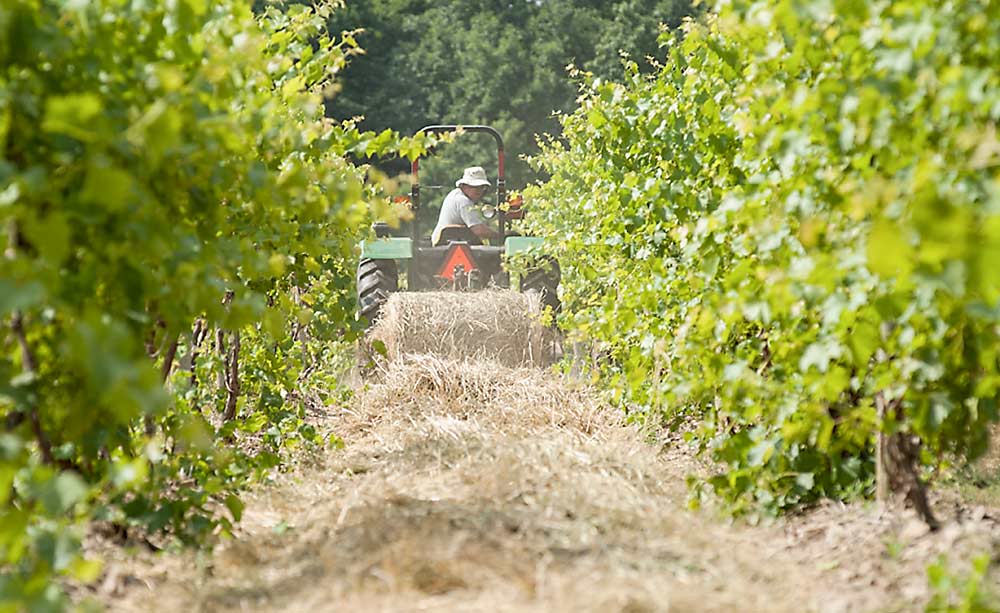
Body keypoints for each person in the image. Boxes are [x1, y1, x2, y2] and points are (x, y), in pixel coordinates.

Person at [431, 166, 500, 246]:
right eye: (474, 186)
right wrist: (500, 235)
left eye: (481, 187)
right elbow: (478, 230)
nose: (478, 190)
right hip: (446, 244)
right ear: (464, 185)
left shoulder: (454, 194)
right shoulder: (463, 201)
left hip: (447, 243)